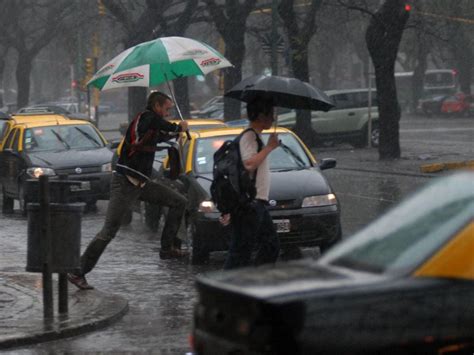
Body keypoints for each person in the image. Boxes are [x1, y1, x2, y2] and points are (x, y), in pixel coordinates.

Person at [68, 91, 189, 290]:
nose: (168, 113)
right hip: (124, 183)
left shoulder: (149, 125)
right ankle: (77, 271)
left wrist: (176, 134)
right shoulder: (146, 118)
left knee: (179, 202)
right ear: (157, 106)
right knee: (109, 231)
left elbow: (159, 135)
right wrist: (179, 126)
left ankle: (167, 248)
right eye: (167, 109)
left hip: (141, 183)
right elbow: (162, 126)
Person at [222, 95, 280, 270]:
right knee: (241, 251)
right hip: (250, 204)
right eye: (271, 114)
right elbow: (248, 164)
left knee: (270, 245)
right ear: (261, 116)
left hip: (256, 204)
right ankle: (226, 288)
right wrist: (270, 147)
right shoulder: (249, 137)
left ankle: (253, 281)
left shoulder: (255, 137)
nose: (273, 118)